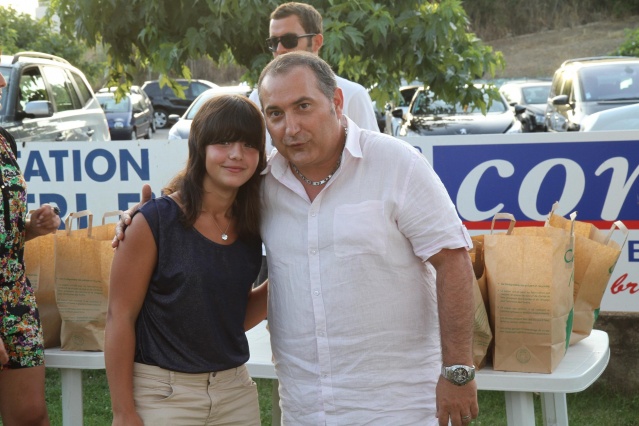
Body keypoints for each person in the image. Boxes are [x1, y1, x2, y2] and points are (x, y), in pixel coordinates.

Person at [115, 52, 478, 425]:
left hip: (397, 407)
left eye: (303, 106)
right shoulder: (264, 184)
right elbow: (200, 196)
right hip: (305, 409)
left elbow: (453, 261)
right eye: (275, 114)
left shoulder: (397, 164)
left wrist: (457, 370)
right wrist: (145, 215)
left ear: (336, 101)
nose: (290, 128)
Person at [105, 94, 268, 425]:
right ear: (199, 147)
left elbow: (230, 318)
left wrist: (289, 276)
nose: (237, 154)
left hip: (235, 393)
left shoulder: (254, 225)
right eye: (224, 142)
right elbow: (119, 317)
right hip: (163, 395)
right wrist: (123, 411)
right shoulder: (154, 222)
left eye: (249, 144)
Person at [1, 71, 61, 426]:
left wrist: (30, 227)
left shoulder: (4, 140)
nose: (2, 82)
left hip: (15, 298)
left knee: (31, 416)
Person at [249, 1, 379, 156]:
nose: (280, 49)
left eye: (289, 40)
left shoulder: (353, 94)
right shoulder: (257, 98)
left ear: (317, 42)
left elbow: (370, 153)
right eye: (274, 42)